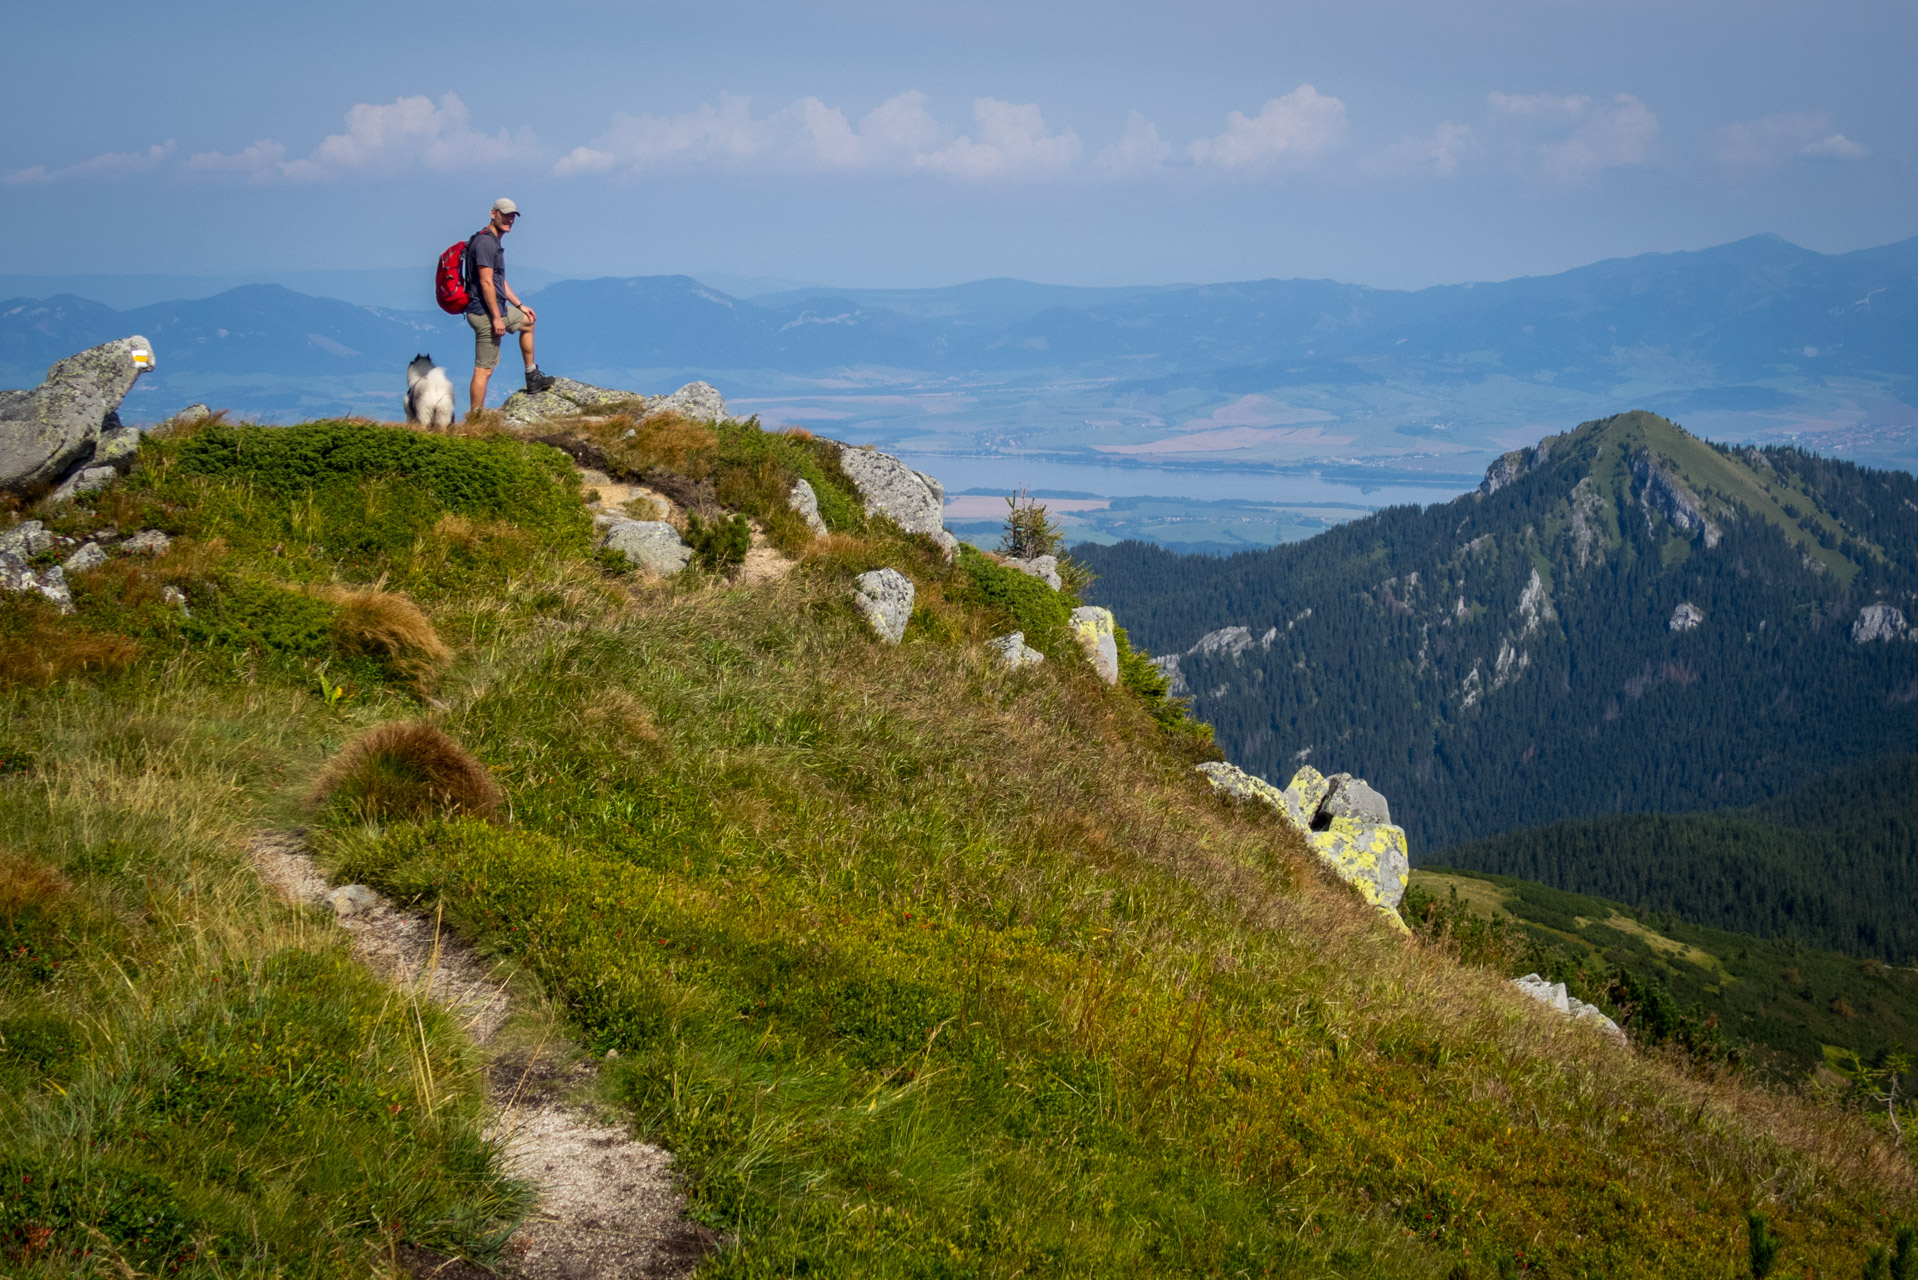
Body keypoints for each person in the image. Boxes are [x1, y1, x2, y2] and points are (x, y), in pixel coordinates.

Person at [465, 197, 556, 418]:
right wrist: (496, 317)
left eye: (512, 215)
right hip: (485, 313)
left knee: (528, 322)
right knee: (484, 369)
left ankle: (531, 375)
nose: (509, 219)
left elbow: (498, 281)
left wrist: (520, 305)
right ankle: (475, 418)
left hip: (497, 310)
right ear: (493, 213)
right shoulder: (486, 243)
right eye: (505, 214)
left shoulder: (494, 241)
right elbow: (486, 282)